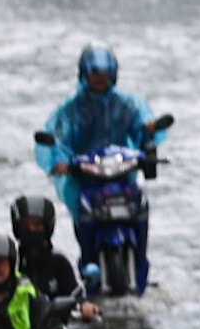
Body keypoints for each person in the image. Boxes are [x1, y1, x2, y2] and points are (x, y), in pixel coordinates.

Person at [36, 45, 166, 219]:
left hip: (120, 172)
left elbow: (142, 121)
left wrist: (149, 127)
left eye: (104, 75)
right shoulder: (70, 109)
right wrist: (59, 162)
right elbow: (57, 139)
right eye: (95, 74)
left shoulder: (126, 104)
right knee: (81, 210)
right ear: (84, 74)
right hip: (84, 176)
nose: (100, 79)